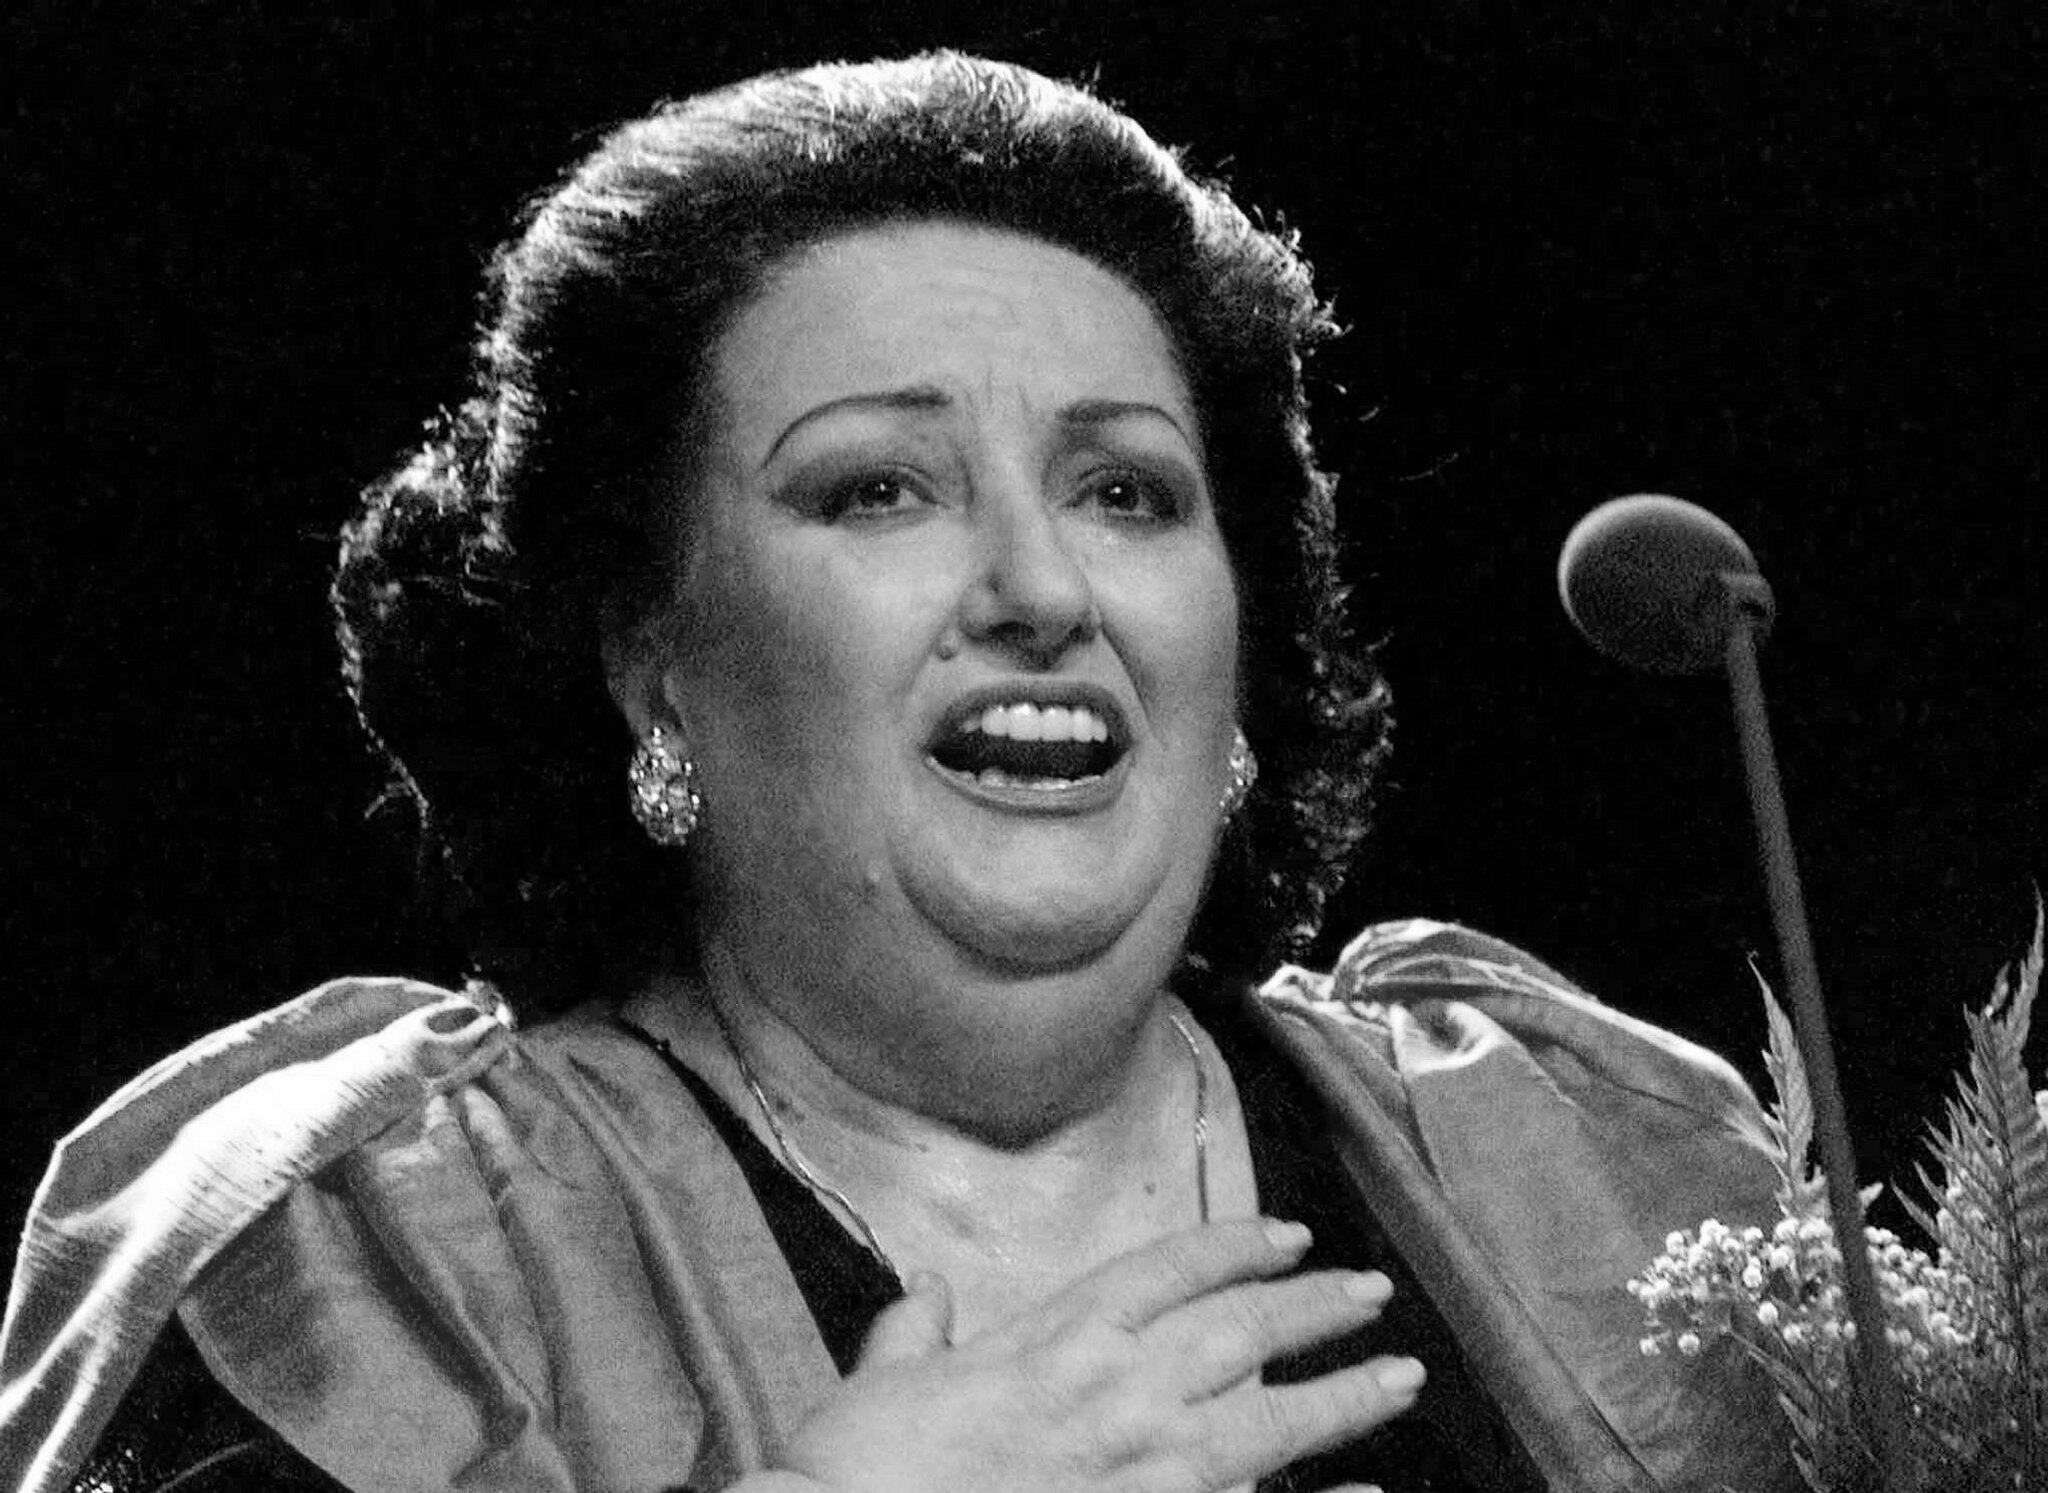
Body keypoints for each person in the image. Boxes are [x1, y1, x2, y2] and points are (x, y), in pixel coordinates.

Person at [1, 52, 1798, 1493]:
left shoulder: (1589, 1163)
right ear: (647, 663)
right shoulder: (384, 1269)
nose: (1042, 589)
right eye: (879, 489)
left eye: (1127, 492)